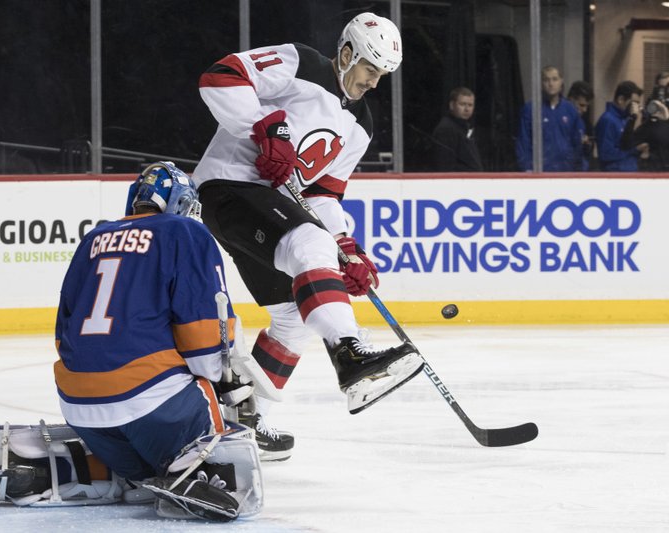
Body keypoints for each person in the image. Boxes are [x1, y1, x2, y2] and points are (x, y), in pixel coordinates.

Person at [193, 13, 425, 461]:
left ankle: (239, 422)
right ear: (346, 54)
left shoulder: (361, 126)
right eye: (369, 70)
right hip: (228, 187)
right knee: (308, 242)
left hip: (271, 207)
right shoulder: (302, 63)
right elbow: (219, 76)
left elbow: (322, 194)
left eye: (382, 76)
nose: (374, 83)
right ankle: (350, 356)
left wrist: (346, 247)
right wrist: (263, 127)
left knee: (294, 317)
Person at [53, 162, 262, 521]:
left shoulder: (93, 239)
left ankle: (126, 475)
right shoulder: (186, 233)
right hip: (153, 407)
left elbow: (63, 333)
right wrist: (225, 381)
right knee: (215, 409)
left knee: (142, 458)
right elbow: (204, 341)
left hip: (79, 408)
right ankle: (191, 472)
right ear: (181, 203)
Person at [515, 66, 585, 171]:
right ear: (541, 84)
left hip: (566, 172)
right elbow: (523, 142)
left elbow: (577, 143)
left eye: (555, 79)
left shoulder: (570, 110)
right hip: (540, 172)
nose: (551, 84)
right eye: (546, 80)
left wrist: (578, 169)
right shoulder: (530, 109)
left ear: (561, 82)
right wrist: (527, 169)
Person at [595, 81, 648, 172]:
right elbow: (606, 154)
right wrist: (634, 150)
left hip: (629, 170)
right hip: (615, 173)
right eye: (633, 103)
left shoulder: (625, 119)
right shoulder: (608, 120)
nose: (635, 108)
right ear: (621, 99)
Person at [431, 87, 483, 171]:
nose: (467, 109)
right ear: (452, 105)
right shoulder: (446, 129)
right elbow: (445, 168)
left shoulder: (465, 127)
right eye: (462, 104)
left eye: (470, 105)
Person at [566, 80, 595, 170]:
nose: (585, 110)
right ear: (571, 99)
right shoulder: (557, 116)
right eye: (581, 105)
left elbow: (586, 154)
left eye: (587, 106)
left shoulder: (583, 122)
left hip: (578, 170)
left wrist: (587, 145)